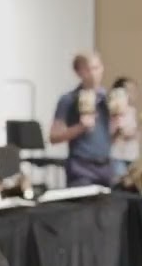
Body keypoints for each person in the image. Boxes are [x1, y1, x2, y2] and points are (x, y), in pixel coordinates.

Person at [49, 52, 119, 186]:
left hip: (105, 166)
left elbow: (109, 140)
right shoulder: (68, 99)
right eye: (87, 69)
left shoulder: (108, 100)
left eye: (96, 68)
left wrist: (120, 130)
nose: (93, 73)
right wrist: (80, 127)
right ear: (78, 72)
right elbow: (54, 137)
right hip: (81, 167)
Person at [109, 76, 141, 179]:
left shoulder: (132, 111)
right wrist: (123, 131)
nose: (133, 94)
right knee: (119, 179)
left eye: (134, 90)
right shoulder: (114, 110)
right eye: (129, 91)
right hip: (117, 155)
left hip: (130, 154)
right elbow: (115, 131)